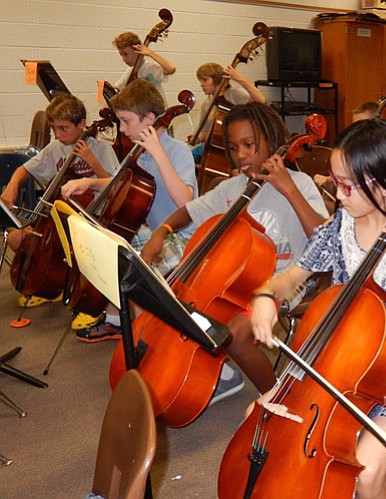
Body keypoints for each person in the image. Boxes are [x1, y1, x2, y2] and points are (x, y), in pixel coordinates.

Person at [251, 118, 386, 498]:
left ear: (382, 184)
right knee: (261, 421)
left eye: (345, 185)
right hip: (334, 353)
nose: (337, 194)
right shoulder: (339, 227)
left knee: (366, 471)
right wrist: (264, 298)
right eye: (334, 180)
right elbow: (289, 279)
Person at [140, 102, 329, 401]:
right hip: (237, 280)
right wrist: (161, 232)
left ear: (271, 140)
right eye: (233, 147)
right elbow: (187, 212)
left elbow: (323, 238)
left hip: (288, 276)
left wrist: (289, 189)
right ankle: (221, 374)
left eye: (249, 145)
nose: (241, 155)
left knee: (237, 334)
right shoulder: (233, 188)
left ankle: (277, 399)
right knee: (183, 308)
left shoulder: (300, 183)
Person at [61, 79, 197, 338]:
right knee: (111, 246)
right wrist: (90, 182)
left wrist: (158, 154)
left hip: (183, 237)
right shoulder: (139, 152)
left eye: (126, 121)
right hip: (157, 231)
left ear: (149, 119)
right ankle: (115, 319)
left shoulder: (177, 151)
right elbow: (122, 182)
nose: (121, 129)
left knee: (131, 266)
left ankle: (144, 332)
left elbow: (185, 202)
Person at [0, 92, 118, 307]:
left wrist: (92, 162)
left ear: (82, 124)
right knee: (16, 237)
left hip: (91, 217)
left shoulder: (102, 149)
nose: (57, 134)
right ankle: (50, 283)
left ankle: (61, 282)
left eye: (63, 128)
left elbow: (114, 185)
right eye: (54, 128)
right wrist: (12, 187)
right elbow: (23, 169)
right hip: (57, 217)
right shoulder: (55, 149)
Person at [188, 62, 266, 146]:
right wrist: (197, 138)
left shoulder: (235, 93)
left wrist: (241, 79)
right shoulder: (206, 104)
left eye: (205, 80)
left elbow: (261, 100)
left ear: (217, 79)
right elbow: (206, 131)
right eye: (200, 81)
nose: (202, 84)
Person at [112, 32, 176, 101]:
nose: (123, 59)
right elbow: (117, 88)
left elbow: (170, 69)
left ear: (137, 50)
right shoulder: (130, 71)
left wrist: (150, 53)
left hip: (157, 110)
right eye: (121, 54)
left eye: (125, 54)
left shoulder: (151, 68)